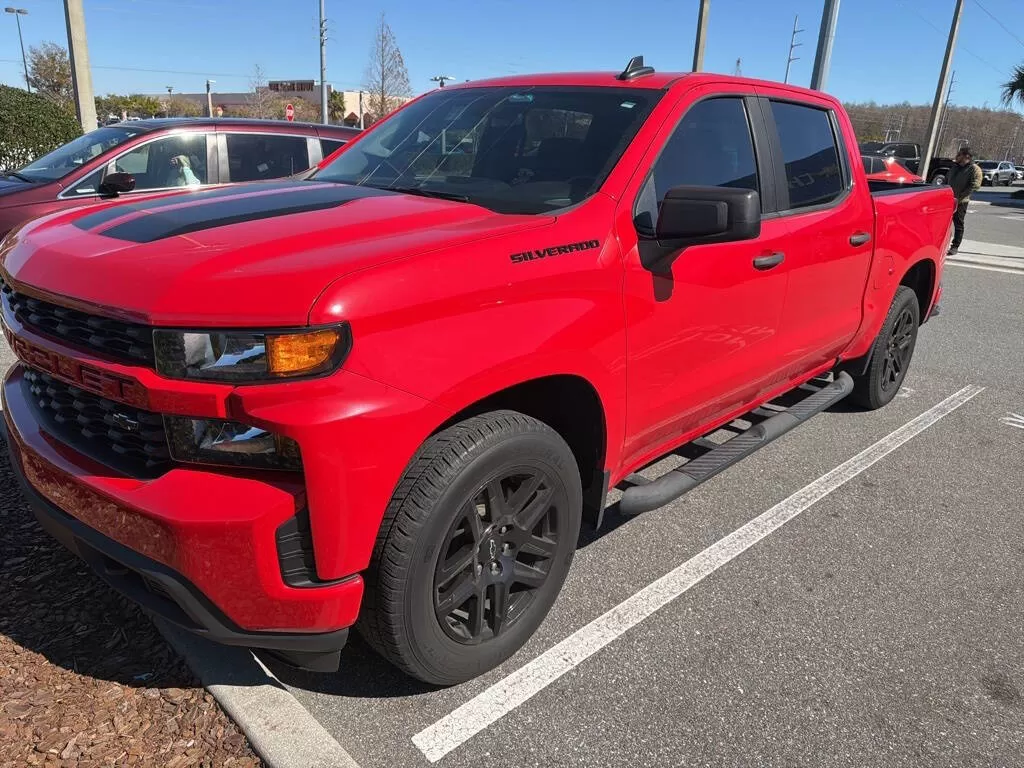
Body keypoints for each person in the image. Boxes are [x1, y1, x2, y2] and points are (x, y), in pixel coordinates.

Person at [946, 147, 982, 255]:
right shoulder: (955, 167)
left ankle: (955, 246)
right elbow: (946, 179)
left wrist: (960, 196)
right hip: (948, 199)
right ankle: (942, 244)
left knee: (958, 223)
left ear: (967, 156)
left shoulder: (974, 169)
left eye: (960, 154)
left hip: (961, 201)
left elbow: (975, 185)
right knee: (944, 223)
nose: (957, 156)